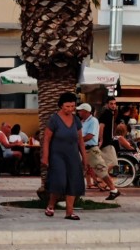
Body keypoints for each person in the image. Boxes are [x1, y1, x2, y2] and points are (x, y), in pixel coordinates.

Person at [41, 92, 88, 220]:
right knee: (59, 181)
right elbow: (46, 139)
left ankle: (69, 212)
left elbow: (80, 141)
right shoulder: (54, 119)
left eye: (72, 106)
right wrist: (45, 157)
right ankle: (51, 205)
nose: (70, 109)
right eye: (67, 106)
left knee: (73, 182)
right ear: (61, 105)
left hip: (73, 156)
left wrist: (84, 157)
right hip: (57, 155)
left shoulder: (76, 120)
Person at [78, 102, 120, 201]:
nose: (78, 112)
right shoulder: (82, 122)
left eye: (80, 110)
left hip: (91, 149)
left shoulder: (93, 121)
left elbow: (90, 136)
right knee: (80, 170)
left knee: (101, 170)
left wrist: (77, 140)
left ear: (86, 111)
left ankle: (114, 190)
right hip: (83, 149)